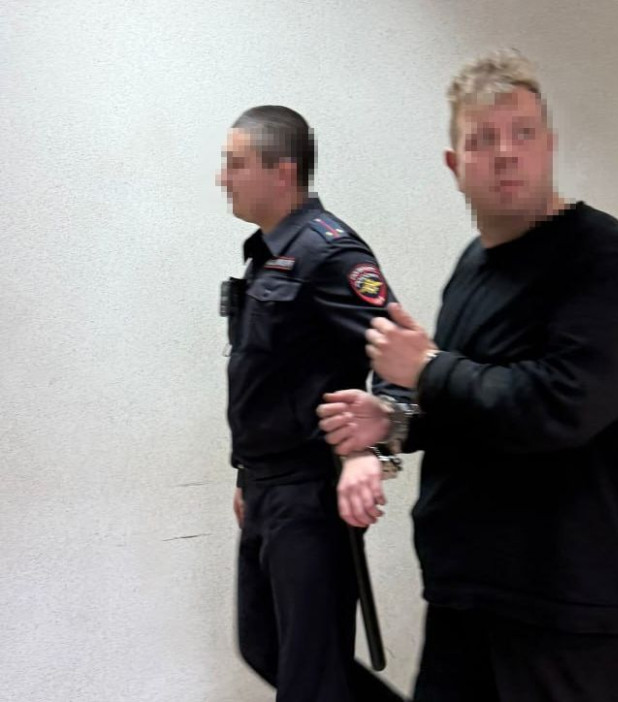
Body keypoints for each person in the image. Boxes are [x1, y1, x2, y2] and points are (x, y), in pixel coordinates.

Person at [318, 50, 618, 702]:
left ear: (550, 146)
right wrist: (395, 421)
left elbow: (559, 405)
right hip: (469, 591)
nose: (505, 153)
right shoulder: (472, 267)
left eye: (522, 134)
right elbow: (474, 402)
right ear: (454, 164)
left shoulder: (601, 257)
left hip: (570, 604)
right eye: (482, 140)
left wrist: (426, 368)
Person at [217, 105, 406, 702]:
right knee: (266, 649)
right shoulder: (267, 254)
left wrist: (375, 446)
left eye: (235, 163)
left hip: (310, 495)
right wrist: (247, 476)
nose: (222, 177)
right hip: (266, 488)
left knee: (309, 676)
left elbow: (400, 357)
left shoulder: (331, 253)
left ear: (282, 172)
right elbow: (263, 380)